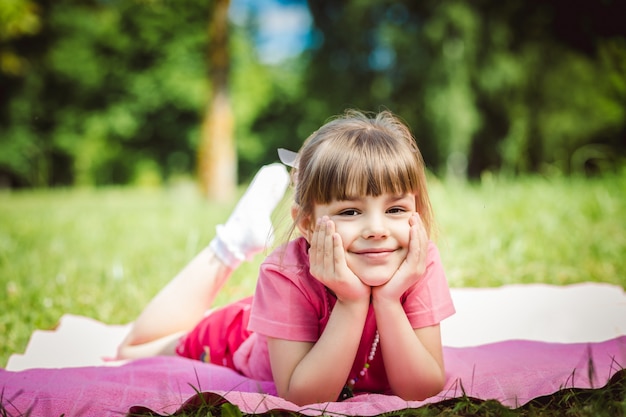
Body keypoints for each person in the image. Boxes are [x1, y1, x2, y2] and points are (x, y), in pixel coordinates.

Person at [117, 109, 456, 405]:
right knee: (130, 350)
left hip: (283, 313)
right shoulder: (285, 273)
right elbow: (304, 397)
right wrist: (352, 302)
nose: (377, 229)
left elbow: (422, 389)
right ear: (306, 223)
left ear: (418, 212)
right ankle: (230, 245)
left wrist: (388, 301)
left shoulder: (418, 262)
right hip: (240, 334)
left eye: (396, 209)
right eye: (351, 211)